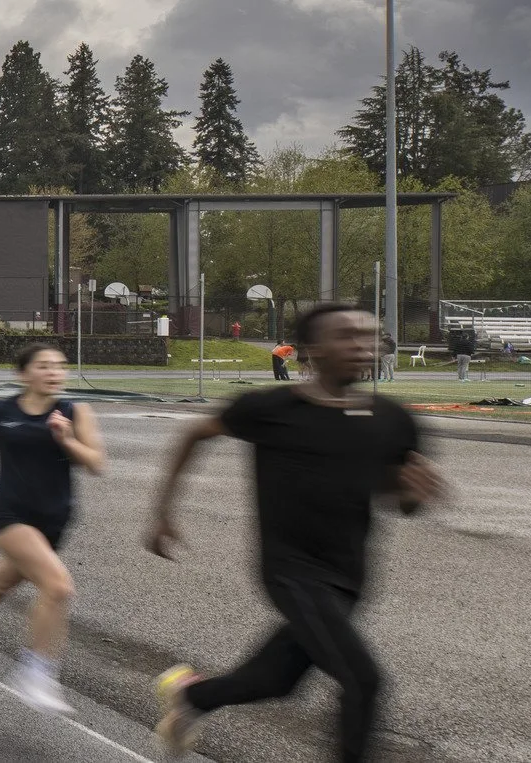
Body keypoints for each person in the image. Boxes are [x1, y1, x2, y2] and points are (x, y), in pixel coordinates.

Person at [145, 303, 444, 762]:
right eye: (346, 336)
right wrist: (163, 512)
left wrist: (413, 495)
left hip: (349, 576)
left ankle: (191, 698)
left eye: (369, 337)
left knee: (275, 682)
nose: (362, 346)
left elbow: (397, 500)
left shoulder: (394, 420)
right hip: (290, 570)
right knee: (363, 680)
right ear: (311, 350)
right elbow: (195, 435)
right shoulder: (270, 409)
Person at [0, 343, 106, 716]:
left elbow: (96, 463)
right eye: (44, 366)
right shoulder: (1, 410)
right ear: (23, 373)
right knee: (58, 587)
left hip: (55, 519)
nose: (54, 373)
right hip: (9, 514)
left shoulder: (75, 412)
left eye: (60, 366)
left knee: (0, 585)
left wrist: (67, 439)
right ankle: (35, 671)